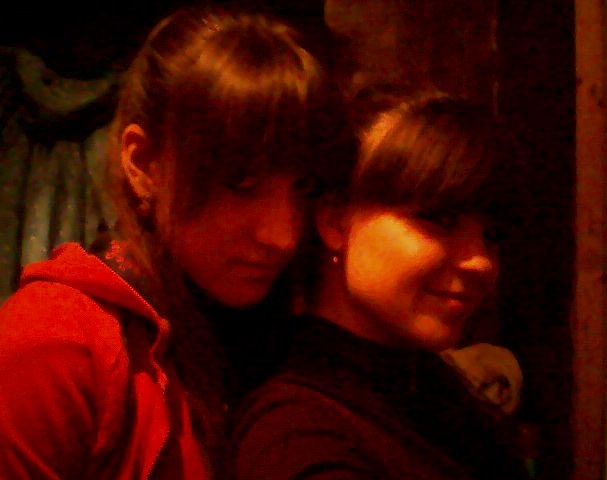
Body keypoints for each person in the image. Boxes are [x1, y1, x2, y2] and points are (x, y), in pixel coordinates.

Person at [0, 5, 352, 479]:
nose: (284, 236)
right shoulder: (57, 344)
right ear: (143, 164)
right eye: (242, 185)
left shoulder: (280, 331)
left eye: (303, 189)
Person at [232, 92, 532, 479]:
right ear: (336, 221)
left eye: (492, 235)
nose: (481, 262)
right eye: (439, 219)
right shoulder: (298, 433)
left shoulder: (421, 386)